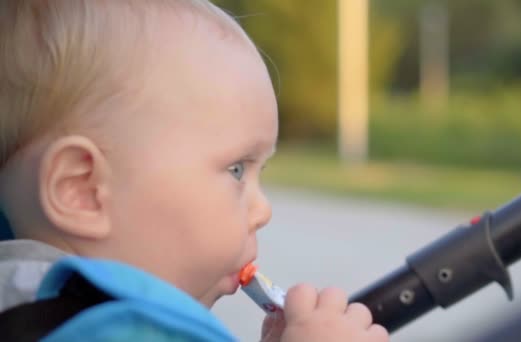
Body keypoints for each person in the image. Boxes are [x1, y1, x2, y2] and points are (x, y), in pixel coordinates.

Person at [0, 1, 389, 341]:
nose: (263, 211)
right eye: (236, 169)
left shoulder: (26, 308)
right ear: (82, 189)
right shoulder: (120, 329)